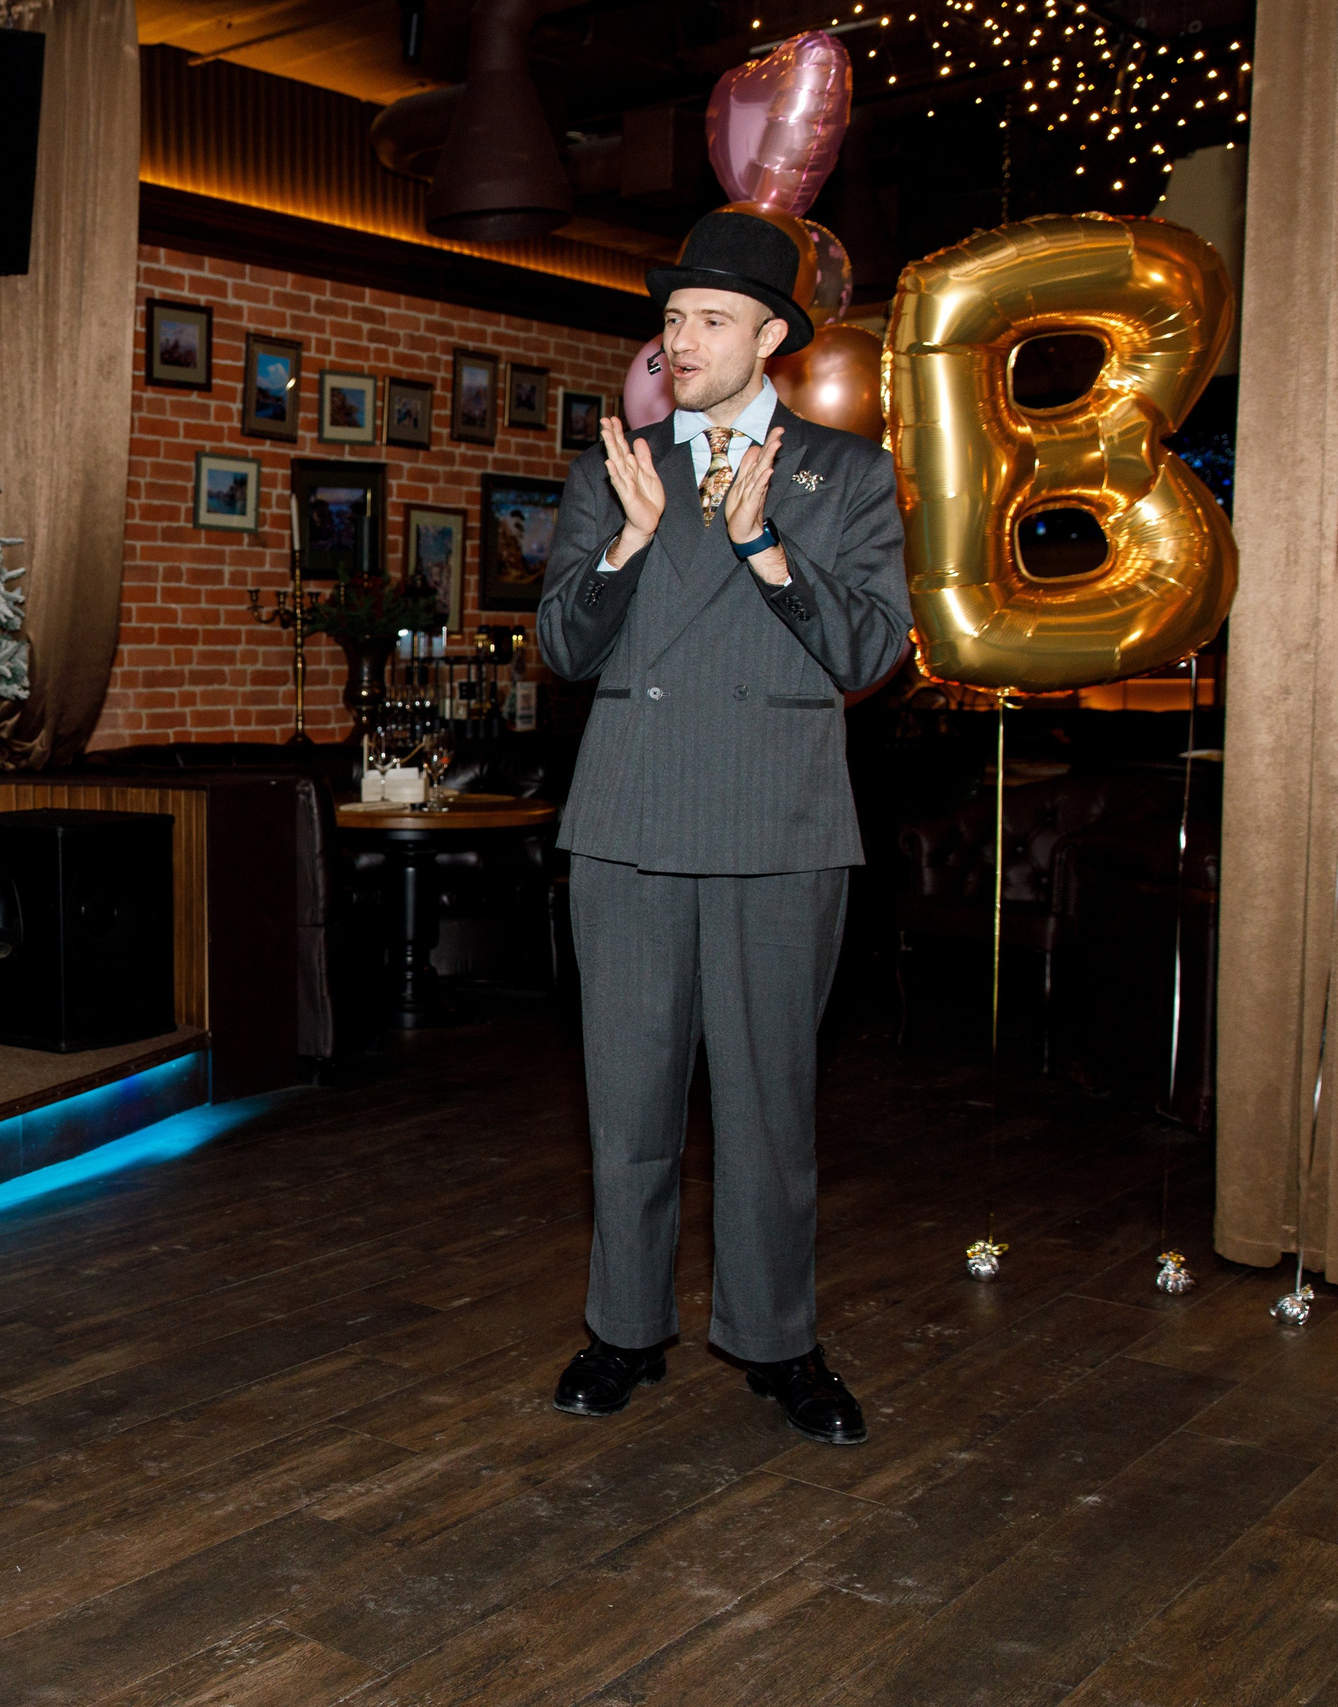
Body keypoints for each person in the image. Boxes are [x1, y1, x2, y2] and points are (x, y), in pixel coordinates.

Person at [534, 208, 912, 1447]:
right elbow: (561, 648)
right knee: (627, 1104)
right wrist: (631, 546)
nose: (676, 339)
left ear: (770, 337)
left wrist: (760, 544)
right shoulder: (614, 469)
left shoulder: (845, 473)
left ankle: (776, 1341)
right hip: (630, 821)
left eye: (704, 320)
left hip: (781, 825)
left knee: (766, 1111)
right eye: (669, 320)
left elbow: (866, 653)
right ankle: (622, 1331)